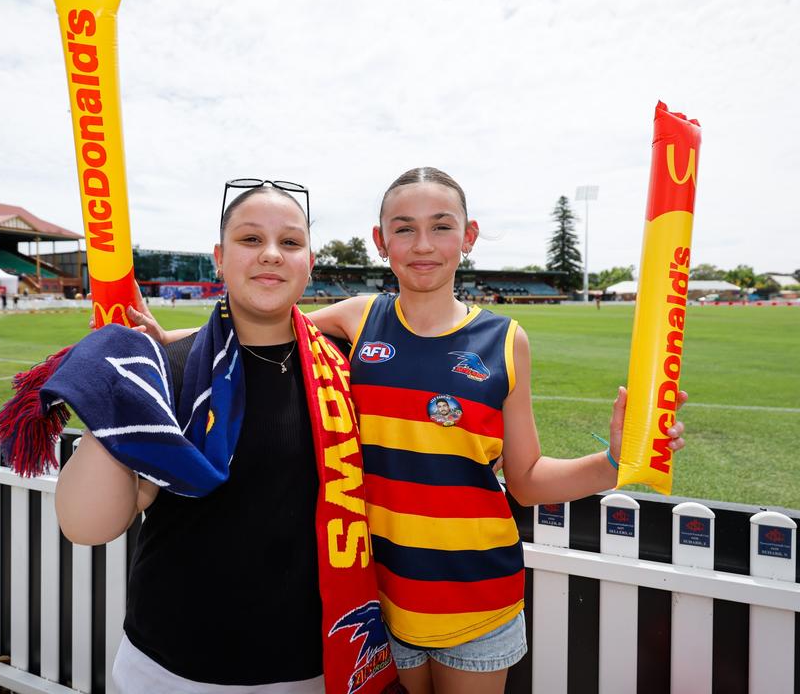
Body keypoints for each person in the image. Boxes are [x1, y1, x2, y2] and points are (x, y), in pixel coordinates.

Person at [133, 167, 687, 694]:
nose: (423, 244)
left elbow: (527, 479)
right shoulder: (360, 317)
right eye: (405, 229)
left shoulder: (506, 341)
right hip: (381, 602)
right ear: (381, 241)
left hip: (477, 600)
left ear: (467, 236)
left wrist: (612, 461)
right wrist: (168, 338)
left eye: (441, 226)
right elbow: (261, 327)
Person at [36, 180, 401, 694]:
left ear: (309, 262)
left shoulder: (344, 370)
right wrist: (115, 383)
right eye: (250, 239)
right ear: (219, 258)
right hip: (173, 670)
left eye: (290, 243)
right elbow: (87, 525)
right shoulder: (172, 371)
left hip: (316, 666)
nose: (272, 255)